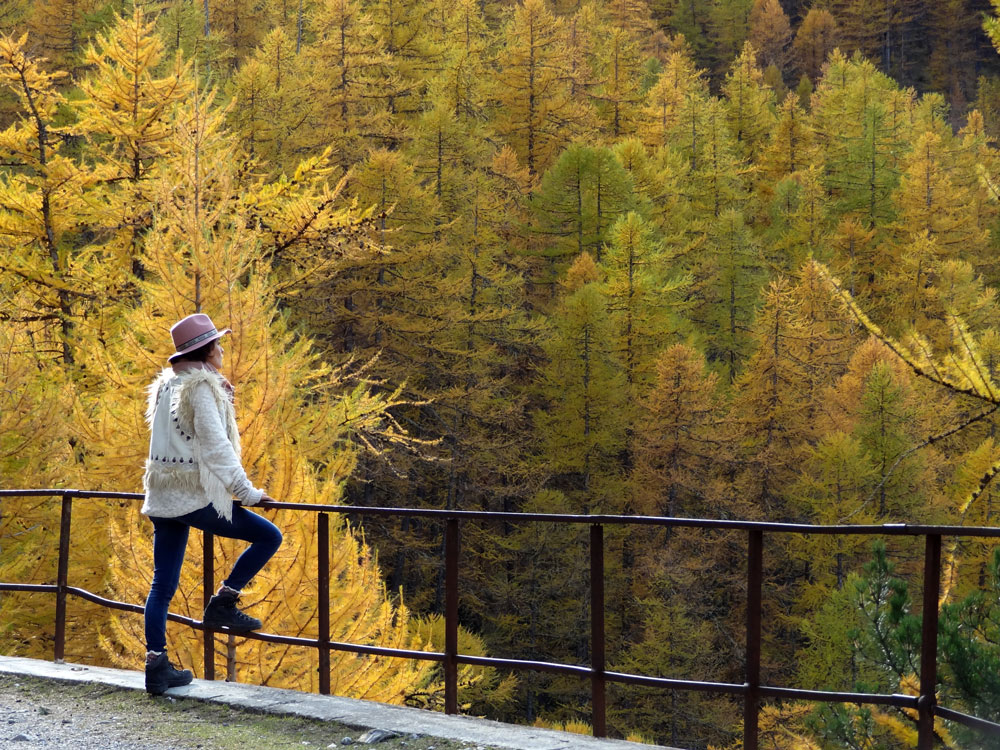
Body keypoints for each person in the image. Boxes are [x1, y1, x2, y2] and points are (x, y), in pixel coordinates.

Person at [141, 313, 283, 696]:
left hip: (162, 495)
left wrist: (223, 398)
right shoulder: (200, 388)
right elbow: (216, 447)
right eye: (218, 344)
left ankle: (156, 667)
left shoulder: (168, 387)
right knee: (269, 536)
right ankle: (224, 601)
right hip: (191, 496)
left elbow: (184, 437)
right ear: (205, 350)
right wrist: (249, 493)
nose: (222, 349)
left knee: (162, 586)